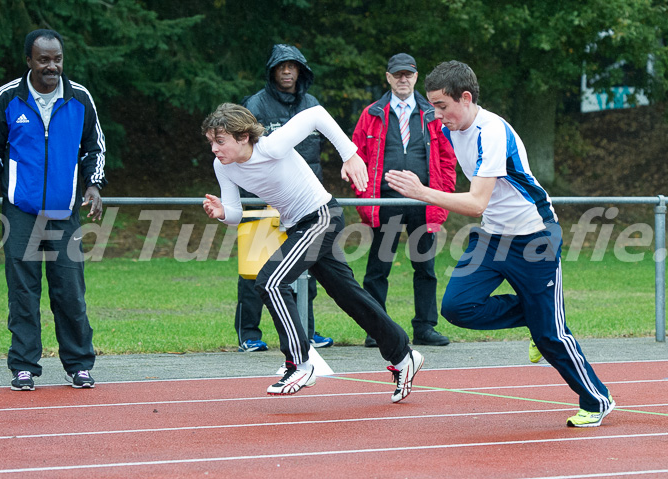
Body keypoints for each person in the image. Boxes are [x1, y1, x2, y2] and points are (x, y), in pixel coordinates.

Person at [385, 60, 615, 427]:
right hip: (492, 236)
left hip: (534, 237)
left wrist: (422, 193)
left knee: (551, 336)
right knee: (458, 307)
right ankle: (536, 316)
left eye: (442, 106)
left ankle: (596, 398)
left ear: (465, 97)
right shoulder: (447, 128)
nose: (438, 115)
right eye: (432, 107)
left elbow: (475, 202)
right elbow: (464, 189)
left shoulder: (491, 131)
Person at [202, 103, 423, 400]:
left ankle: (299, 363)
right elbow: (235, 215)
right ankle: (403, 355)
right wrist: (221, 213)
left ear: (243, 136)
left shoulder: (272, 145)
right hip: (299, 226)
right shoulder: (223, 166)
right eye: (211, 142)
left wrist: (351, 154)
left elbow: (317, 114)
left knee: (270, 281)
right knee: (348, 295)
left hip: (321, 217)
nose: (214, 149)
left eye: (220, 141)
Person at [0, 29, 106, 391]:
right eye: (44, 59)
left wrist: (94, 185)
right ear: (29, 61)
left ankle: (79, 365)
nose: (52, 66)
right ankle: (23, 366)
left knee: (69, 291)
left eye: (57, 59)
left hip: (64, 213)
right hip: (21, 211)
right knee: (23, 292)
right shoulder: (8, 98)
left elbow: (95, 147)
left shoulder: (79, 97)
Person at [352, 53, 456, 348]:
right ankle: (376, 329)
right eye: (397, 74)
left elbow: (448, 160)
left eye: (408, 74)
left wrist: (443, 196)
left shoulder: (432, 113)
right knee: (378, 268)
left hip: (424, 200)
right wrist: (364, 199)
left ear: (415, 77)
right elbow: (356, 157)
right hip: (385, 202)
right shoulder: (372, 113)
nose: (402, 79)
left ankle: (425, 327)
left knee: (425, 267)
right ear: (388, 77)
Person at [236, 44, 332, 352]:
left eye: (293, 66)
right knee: (255, 268)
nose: (288, 71)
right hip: (261, 200)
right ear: (272, 71)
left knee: (306, 268)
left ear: (301, 71)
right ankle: (249, 333)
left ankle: (307, 330)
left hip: (305, 203)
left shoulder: (312, 104)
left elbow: (316, 156)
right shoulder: (255, 104)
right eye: (282, 67)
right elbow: (242, 153)